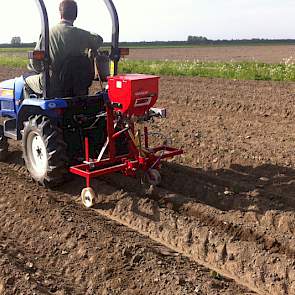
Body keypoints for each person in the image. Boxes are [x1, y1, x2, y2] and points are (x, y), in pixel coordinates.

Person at [25, 0, 103, 98]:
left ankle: (28, 111)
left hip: (56, 84)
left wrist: (39, 69)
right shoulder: (82, 34)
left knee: (26, 81)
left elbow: (35, 62)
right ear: (75, 15)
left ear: (60, 13)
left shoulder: (48, 33)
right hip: (78, 84)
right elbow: (99, 39)